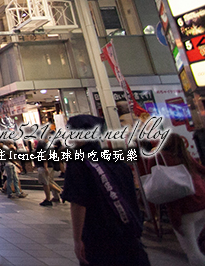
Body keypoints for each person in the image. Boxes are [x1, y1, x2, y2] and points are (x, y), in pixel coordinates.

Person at [61, 114, 149, 266]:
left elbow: (78, 204)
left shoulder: (78, 162)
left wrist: (77, 239)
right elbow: (130, 193)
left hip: (99, 236)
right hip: (129, 233)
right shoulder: (115, 158)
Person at [146, 132, 205, 265]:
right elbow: (201, 170)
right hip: (201, 201)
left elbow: (161, 187)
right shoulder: (185, 155)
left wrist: (175, 218)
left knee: (191, 250)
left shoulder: (158, 157)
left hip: (184, 208)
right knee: (194, 243)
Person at [36, 140, 62, 206]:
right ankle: (56, 196)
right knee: (50, 181)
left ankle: (50, 197)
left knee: (46, 183)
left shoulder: (42, 144)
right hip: (51, 165)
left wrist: (45, 167)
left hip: (45, 166)